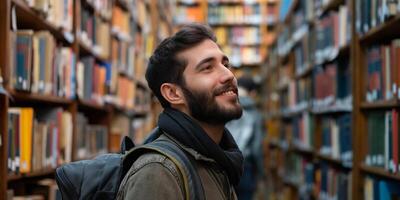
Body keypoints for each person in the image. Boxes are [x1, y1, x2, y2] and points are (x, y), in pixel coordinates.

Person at [117, 23, 244, 200]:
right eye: (207, 68)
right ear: (173, 94)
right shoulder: (158, 173)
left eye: (225, 64)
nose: (229, 75)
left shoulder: (217, 158)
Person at [225, 76, 265, 200]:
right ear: (253, 93)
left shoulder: (224, 107)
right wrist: (261, 173)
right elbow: (256, 148)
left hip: (223, 165)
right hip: (245, 167)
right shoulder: (255, 114)